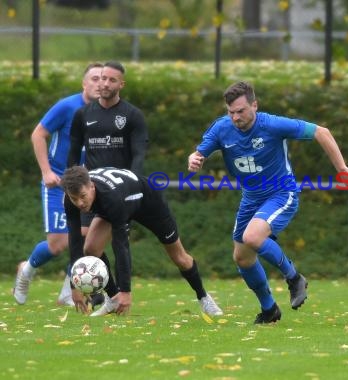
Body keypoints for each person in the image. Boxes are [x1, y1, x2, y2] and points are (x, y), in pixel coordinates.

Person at [187, 81, 348, 324]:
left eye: (241, 111)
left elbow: (322, 132)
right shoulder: (222, 129)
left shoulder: (273, 124)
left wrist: (341, 168)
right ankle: (269, 310)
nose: (235, 117)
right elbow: (198, 153)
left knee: (253, 238)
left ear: (254, 105)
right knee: (242, 258)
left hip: (281, 194)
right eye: (230, 112)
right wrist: (194, 159)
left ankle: (294, 278)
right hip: (251, 197)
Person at [61, 165, 223, 317]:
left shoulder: (112, 199)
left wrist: (127, 291)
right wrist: (74, 286)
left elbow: (120, 245)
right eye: (74, 199)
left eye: (83, 196)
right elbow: (75, 240)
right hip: (118, 202)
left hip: (149, 203)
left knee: (180, 258)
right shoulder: (70, 199)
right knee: (90, 248)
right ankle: (113, 298)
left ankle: (203, 297)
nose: (80, 203)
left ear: (92, 186)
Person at [13, 63, 103, 306]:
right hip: (58, 182)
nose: (99, 83)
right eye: (94, 78)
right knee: (57, 244)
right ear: (84, 84)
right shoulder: (67, 106)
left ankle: (67, 292)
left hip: (87, 186)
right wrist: (46, 171)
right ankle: (27, 270)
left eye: (103, 79)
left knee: (88, 239)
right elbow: (38, 134)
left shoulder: (107, 112)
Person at [66, 60, 149, 309]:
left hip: (118, 193)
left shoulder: (132, 115)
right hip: (89, 191)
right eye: (101, 78)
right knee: (85, 242)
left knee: (99, 244)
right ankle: (109, 295)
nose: (103, 83)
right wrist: (70, 183)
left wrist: (132, 186)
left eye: (111, 79)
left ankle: (114, 294)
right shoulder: (83, 114)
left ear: (121, 84)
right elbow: (73, 153)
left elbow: (138, 155)